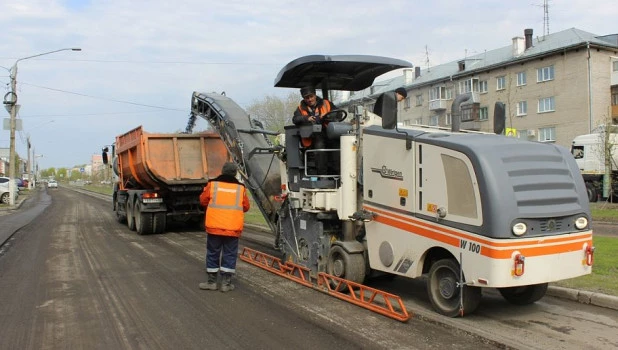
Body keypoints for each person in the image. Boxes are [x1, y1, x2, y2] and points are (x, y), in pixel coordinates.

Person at [199, 162, 250, 292]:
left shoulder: (212, 184)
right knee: (230, 254)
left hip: (214, 226)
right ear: (235, 173)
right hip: (232, 228)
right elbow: (246, 207)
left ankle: (212, 282)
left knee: (213, 253)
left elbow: (203, 200)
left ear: (222, 171)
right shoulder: (241, 188)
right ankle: (226, 284)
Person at [292, 87, 337, 175]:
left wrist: (328, 117)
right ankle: (322, 175)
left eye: (311, 96)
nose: (309, 99)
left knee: (338, 142)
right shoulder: (301, 108)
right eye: (306, 98)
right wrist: (306, 118)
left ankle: (337, 172)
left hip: (329, 132)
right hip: (312, 136)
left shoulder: (326, 104)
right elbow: (295, 119)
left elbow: (337, 113)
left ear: (315, 95)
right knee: (319, 145)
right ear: (304, 98)